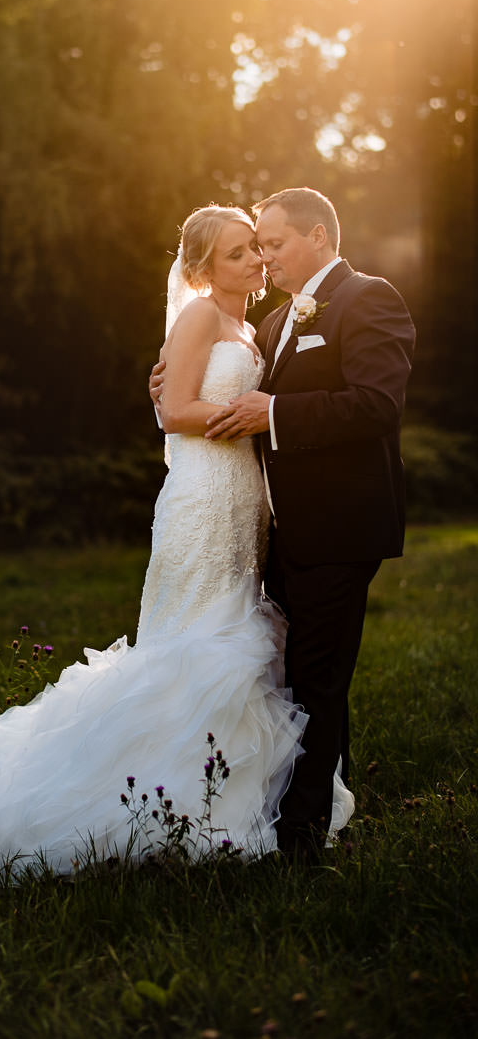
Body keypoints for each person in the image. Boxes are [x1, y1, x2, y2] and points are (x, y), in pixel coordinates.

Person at [0, 205, 350, 880]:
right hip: (204, 497)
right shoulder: (202, 315)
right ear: (203, 268)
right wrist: (241, 413)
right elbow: (175, 411)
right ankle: (149, 787)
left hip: (243, 499)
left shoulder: (251, 326)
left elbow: (201, 395)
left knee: (232, 627)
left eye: (256, 250)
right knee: (193, 640)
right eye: (238, 252)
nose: (255, 261)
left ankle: (235, 788)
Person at [151, 187, 415, 860]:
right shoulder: (269, 326)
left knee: (317, 675)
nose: (265, 258)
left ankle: (299, 840)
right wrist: (169, 389)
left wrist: (274, 414)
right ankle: (313, 800)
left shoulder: (369, 299)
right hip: (275, 525)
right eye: (254, 247)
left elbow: (376, 404)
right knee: (293, 674)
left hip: (339, 524)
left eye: (273, 244)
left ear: (318, 237)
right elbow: (219, 391)